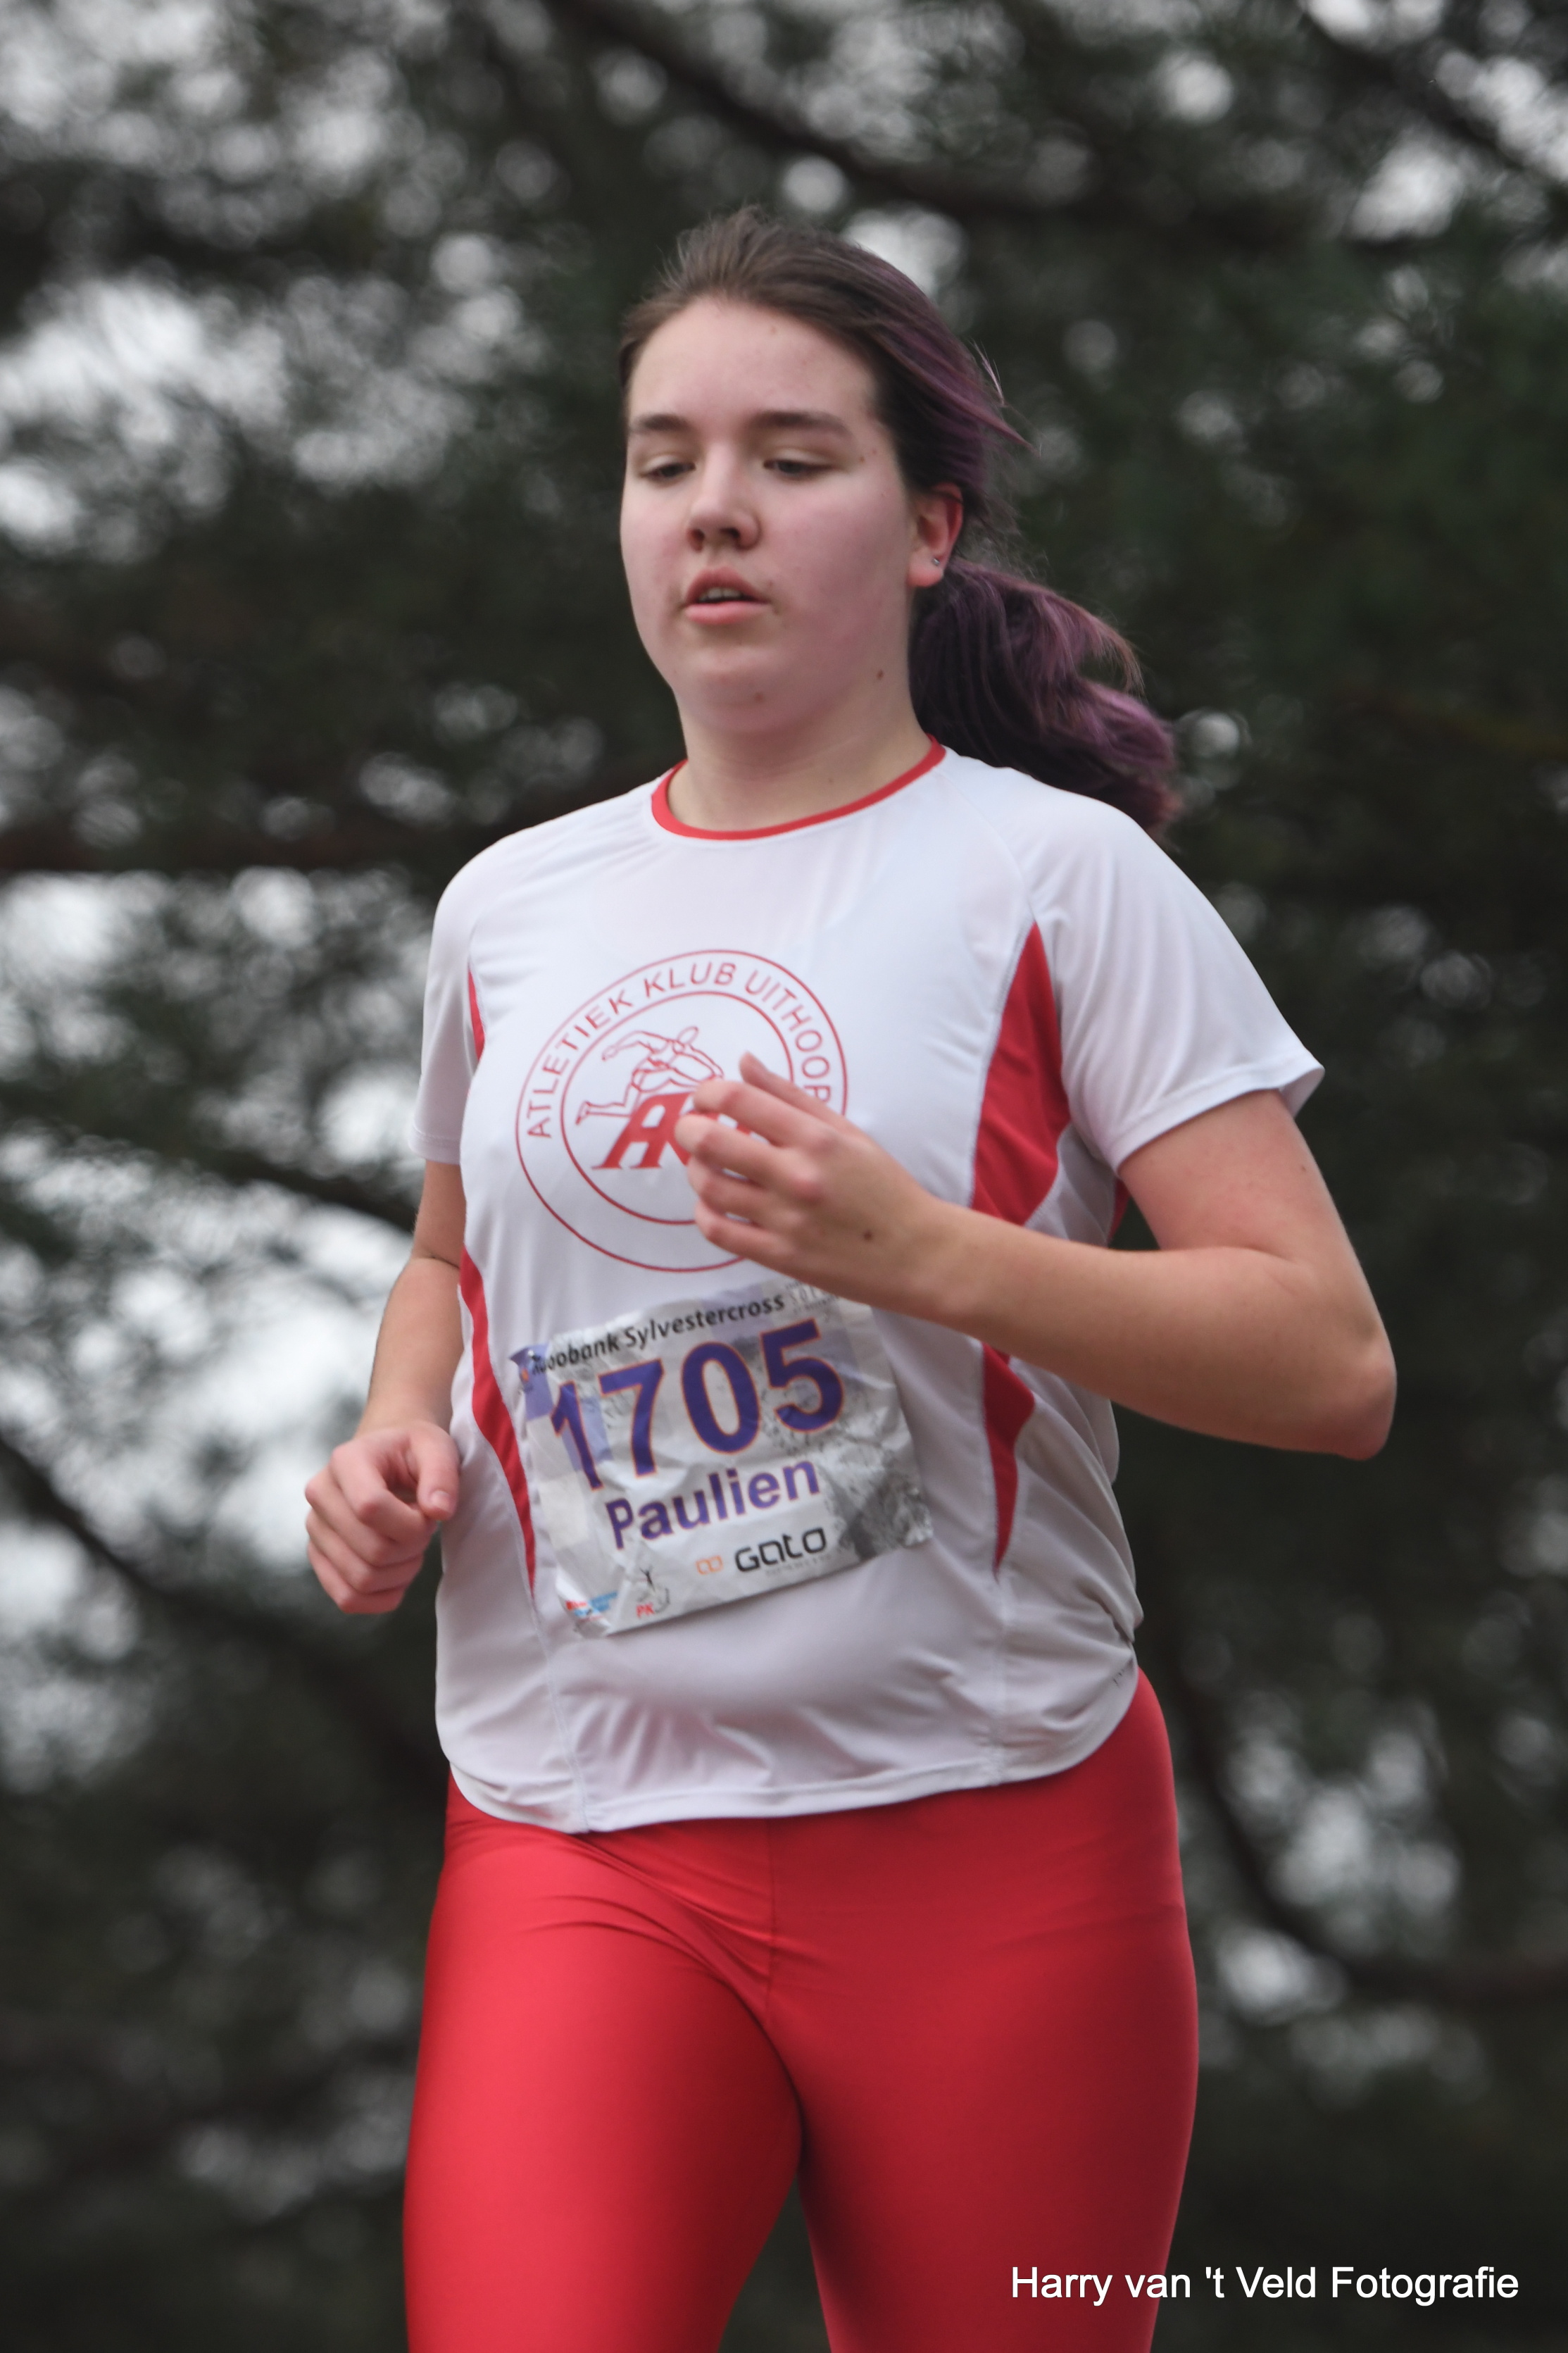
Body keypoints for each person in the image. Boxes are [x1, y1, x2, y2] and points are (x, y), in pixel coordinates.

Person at [304, 208, 1395, 2353]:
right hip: (579, 1828)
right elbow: (448, 1252)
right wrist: (390, 1434)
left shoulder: (1058, 878)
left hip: (992, 1826)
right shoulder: (508, 907)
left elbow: (1326, 1360)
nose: (714, 507)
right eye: (665, 461)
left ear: (926, 527)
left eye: (791, 458)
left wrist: (926, 1256)